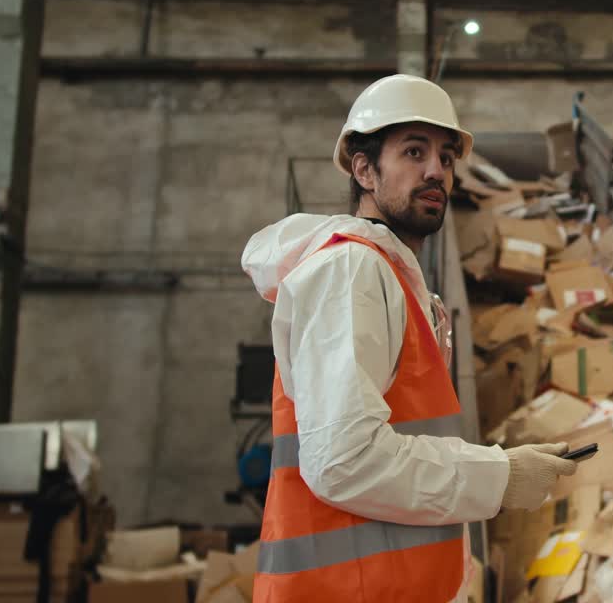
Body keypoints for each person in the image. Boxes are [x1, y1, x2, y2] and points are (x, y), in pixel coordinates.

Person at [241, 74, 578, 602]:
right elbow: (343, 460)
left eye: (446, 157)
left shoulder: (395, 280)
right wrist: (500, 476)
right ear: (364, 169)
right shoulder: (352, 271)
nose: (435, 172)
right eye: (414, 152)